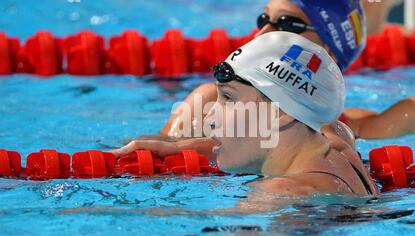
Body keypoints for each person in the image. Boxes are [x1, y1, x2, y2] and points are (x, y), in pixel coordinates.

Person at [111, 32, 379, 206]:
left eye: (228, 99)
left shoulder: (277, 196)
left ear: (280, 113)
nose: (208, 116)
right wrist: (178, 147)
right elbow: (256, 141)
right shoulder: (336, 137)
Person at [158, 0, 415, 140]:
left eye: (288, 24)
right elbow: (158, 161)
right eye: (264, 20)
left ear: (329, 52)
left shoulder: (359, 129)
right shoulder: (211, 101)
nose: (263, 34)